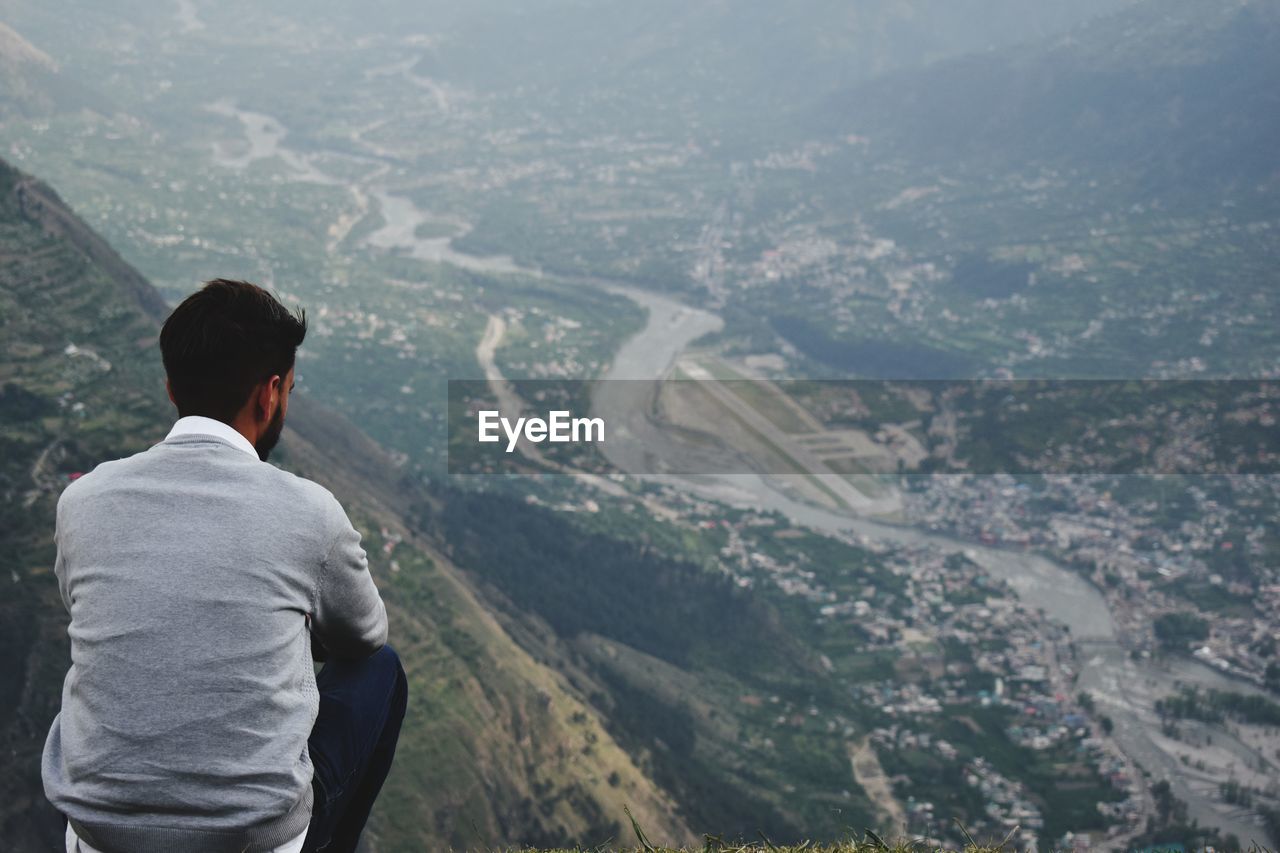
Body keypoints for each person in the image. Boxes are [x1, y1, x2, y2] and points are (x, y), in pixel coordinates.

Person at [42, 279, 407, 853]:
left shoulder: (83, 502)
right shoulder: (309, 512)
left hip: (97, 838)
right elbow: (364, 636)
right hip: (253, 841)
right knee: (380, 670)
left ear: (171, 388)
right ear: (270, 394)